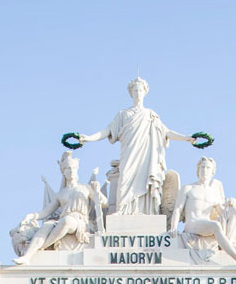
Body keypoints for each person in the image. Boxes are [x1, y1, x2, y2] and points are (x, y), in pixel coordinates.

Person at [78, 77, 195, 217]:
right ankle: (122, 211)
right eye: (135, 90)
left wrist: (186, 138)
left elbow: (167, 132)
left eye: (140, 90)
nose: (138, 93)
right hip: (129, 154)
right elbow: (107, 130)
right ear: (131, 93)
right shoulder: (123, 114)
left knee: (146, 180)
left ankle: (148, 212)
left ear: (145, 92)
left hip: (147, 156)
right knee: (125, 177)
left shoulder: (151, 115)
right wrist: (89, 138)